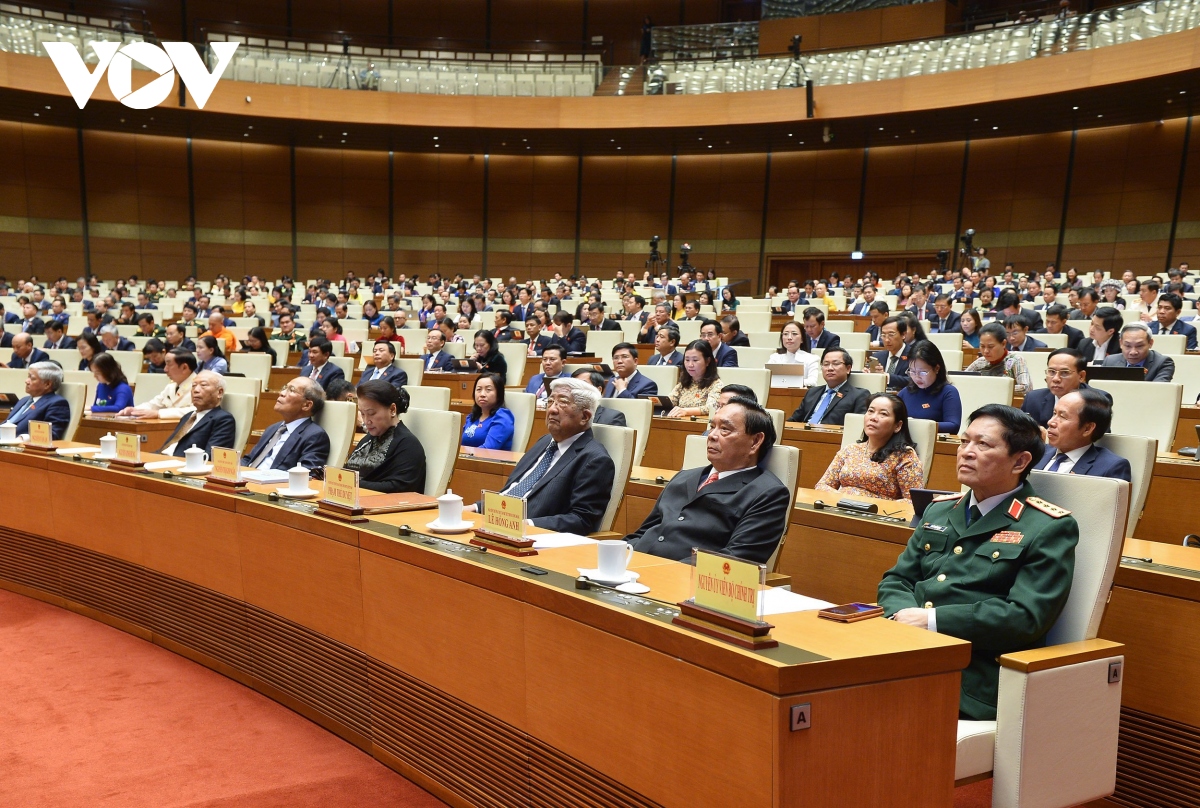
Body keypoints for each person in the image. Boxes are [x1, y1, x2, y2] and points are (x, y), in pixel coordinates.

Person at [878, 404, 1079, 721]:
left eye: (982, 444)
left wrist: (930, 621)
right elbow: (896, 580)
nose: (966, 452)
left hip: (971, 677)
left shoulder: (1048, 527)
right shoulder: (939, 510)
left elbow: (1025, 617)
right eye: (964, 442)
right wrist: (902, 617)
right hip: (904, 650)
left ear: (1020, 461)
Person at [627, 397, 789, 565]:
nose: (711, 435)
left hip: (685, 582)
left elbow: (736, 559)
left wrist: (662, 571)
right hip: (632, 569)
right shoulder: (684, 477)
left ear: (755, 441)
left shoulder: (767, 492)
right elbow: (642, 533)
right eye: (712, 427)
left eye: (725, 429)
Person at [467, 377, 615, 534]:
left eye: (562, 402)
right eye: (550, 402)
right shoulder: (544, 442)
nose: (552, 409)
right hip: (498, 524)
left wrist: (526, 524)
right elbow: (515, 491)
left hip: (533, 539)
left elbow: (582, 519)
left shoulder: (594, 459)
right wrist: (476, 508)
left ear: (585, 417)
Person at [816, 393, 923, 501]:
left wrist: (865, 502)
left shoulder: (905, 456)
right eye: (870, 411)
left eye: (883, 414)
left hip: (877, 514)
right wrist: (845, 499)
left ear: (898, 426)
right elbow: (822, 486)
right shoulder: (850, 450)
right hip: (840, 508)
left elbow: (913, 501)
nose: (873, 418)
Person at [343, 381, 427, 494]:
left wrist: (351, 483)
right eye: (362, 413)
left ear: (392, 410)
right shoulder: (367, 439)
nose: (366, 420)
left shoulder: (408, 444)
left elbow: (400, 488)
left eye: (371, 413)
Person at [1034, 389, 1131, 481]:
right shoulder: (1037, 452)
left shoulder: (1110, 467)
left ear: (1087, 428)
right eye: (1054, 413)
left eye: (1062, 416)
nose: (1051, 422)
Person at [243, 376, 330, 474]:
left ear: (307, 405)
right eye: (284, 388)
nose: (282, 393)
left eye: (291, 390)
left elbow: (305, 475)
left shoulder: (315, 436)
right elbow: (249, 459)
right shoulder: (273, 428)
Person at [158, 371, 238, 458]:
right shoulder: (187, 416)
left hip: (181, 464)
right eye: (193, 386)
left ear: (219, 392)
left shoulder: (223, 419)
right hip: (161, 458)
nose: (196, 390)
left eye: (203, 385)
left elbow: (211, 457)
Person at [1020, 349, 1105, 428]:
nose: (1056, 379)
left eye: (1064, 373)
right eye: (1052, 372)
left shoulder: (1097, 400)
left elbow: (1098, 438)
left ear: (1081, 376)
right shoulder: (1033, 398)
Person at [787, 347, 868, 426]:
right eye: (826, 364)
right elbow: (794, 420)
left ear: (848, 368)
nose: (830, 368)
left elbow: (857, 427)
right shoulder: (812, 392)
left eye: (835, 364)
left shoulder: (859, 395)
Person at [897, 340, 963, 433]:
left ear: (936, 368)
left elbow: (953, 425)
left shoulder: (948, 392)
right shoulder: (906, 392)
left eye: (922, 372)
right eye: (912, 371)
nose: (917, 377)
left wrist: (916, 424)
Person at [119, 349, 196, 419]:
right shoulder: (171, 387)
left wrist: (158, 413)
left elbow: (195, 411)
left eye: (169, 364)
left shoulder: (201, 386)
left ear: (184, 368)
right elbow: (154, 405)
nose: (165, 369)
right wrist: (134, 410)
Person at [3, 363, 71, 439]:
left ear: (47, 384)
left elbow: (52, 435)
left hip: (17, 447)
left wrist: (23, 438)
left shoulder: (57, 403)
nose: (26, 381)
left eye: (32, 378)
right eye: (28, 377)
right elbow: (8, 423)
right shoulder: (24, 400)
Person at [965, 322, 1031, 393]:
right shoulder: (979, 362)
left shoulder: (1016, 360)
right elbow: (962, 379)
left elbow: (1026, 387)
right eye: (982, 346)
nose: (986, 351)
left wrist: (995, 387)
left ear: (1003, 344)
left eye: (990, 346)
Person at [667, 340, 724, 418]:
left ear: (707, 361)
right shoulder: (683, 383)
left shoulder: (716, 384)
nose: (690, 365)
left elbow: (711, 408)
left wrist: (686, 411)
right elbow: (669, 401)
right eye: (687, 360)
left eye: (695, 360)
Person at [1101, 322, 1175, 381]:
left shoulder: (1163, 363)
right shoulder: (1109, 361)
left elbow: (1156, 391)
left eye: (1139, 346)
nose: (1133, 352)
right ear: (1121, 343)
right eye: (1128, 346)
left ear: (1150, 343)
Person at [461, 372, 515, 451]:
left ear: (499, 394)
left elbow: (488, 450)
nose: (482, 394)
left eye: (488, 390)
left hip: (490, 462)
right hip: (468, 460)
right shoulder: (472, 417)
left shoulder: (502, 417)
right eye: (478, 389)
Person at [766, 321, 819, 387]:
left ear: (802, 339)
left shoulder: (811, 359)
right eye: (785, 334)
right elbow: (764, 378)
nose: (789, 338)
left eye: (794, 334)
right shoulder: (775, 358)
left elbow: (813, 382)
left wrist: (786, 382)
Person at [868, 316, 912, 390]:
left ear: (903, 335)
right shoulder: (878, 356)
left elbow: (914, 380)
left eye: (891, 335)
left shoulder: (914, 355)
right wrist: (869, 375)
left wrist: (886, 377)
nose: (886, 340)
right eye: (883, 335)